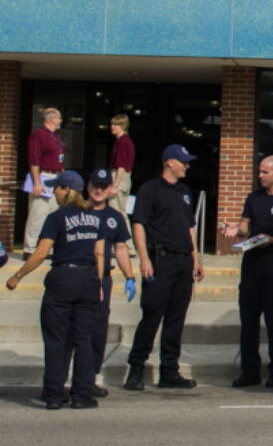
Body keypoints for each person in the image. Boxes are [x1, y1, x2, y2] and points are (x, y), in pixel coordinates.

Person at [5, 171, 105, 410]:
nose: (55, 193)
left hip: (63, 278)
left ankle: (54, 395)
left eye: (57, 188)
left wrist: (17, 275)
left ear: (66, 190)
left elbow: (41, 253)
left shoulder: (56, 217)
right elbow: (99, 253)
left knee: (56, 339)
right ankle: (81, 395)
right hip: (88, 278)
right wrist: (98, 283)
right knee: (83, 339)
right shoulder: (94, 218)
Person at [124, 144, 204, 391]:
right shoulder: (150, 189)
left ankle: (170, 370)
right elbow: (139, 224)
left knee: (176, 319)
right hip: (161, 260)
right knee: (152, 316)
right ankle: (136, 369)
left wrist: (196, 257)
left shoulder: (185, 191)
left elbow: (190, 227)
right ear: (170, 162)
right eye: (183, 162)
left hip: (183, 261)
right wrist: (144, 258)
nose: (187, 166)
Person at [222, 155, 273, 389]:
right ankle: (250, 371)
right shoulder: (253, 198)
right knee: (248, 320)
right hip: (252, 263)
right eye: (259, 172)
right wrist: (235, 230)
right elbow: (245, 227)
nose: (260, 176)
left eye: (265, 172)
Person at [79, 169, 136, 398]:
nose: (99, 190)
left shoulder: (114, 217)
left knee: (98, 330)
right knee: (74, 330)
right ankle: (62, 378)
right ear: (88, 187)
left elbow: (121, 248)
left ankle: (90, 377)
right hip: (78, 275)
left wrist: (130, 277)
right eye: (95, 185)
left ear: (110, 189)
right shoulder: (76, 212)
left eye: (103, 185)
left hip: (102, 279)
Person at [24, 107, 65, 256]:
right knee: (38, 213)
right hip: (43, 176)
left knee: (53, 214)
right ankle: (30, 248)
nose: (60, 120)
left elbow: (59, 158)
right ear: (52, 119)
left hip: (56, 178)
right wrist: (37, 182)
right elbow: (34, 160)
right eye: (59, 117)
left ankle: (47, 247)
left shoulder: (56, 136)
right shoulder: (38, 135)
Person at [108, 114, 135, 235]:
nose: (112, 127)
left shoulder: (123, 141)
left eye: (115, 125)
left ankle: (126, 244)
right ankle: (125, 244)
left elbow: (121, 166)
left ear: (122, 126)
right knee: (119, 211)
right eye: (112, 124)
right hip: (123, 177)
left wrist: (115, 185)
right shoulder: (121, 141)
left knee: (117, 212)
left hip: (120, 177)